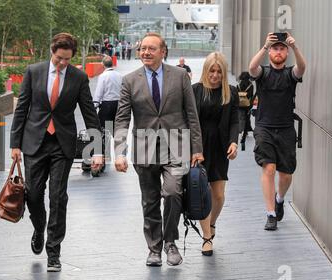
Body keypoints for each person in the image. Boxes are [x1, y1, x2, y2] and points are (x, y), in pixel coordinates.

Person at [10, 33, 103, 272]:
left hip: (62, 144)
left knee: (58, 197)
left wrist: (97, 149)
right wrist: (15, 144)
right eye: (59, 58)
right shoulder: (34, 71)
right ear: (52, 51)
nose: (63, 63)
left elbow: (89, 113)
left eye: (67, 60)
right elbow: (22, 109)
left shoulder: (79, 78)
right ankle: (39, 227)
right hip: (34, 143)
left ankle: (54, 252)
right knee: (33, 195)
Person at [114, 33, 204, 267]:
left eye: (151, 49)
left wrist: (197, 148)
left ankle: (170, 242)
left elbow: (192, 115)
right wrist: (120, 151)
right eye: (143, 48)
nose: (145, 52)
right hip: (145, 148)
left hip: (177, 146)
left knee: (173, 193)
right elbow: (122, 118)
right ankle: (154, 249)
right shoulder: (129, 80)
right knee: (150, 201)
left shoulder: (180, 76)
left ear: (163, 51)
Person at [248, 32, 306, 231]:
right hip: (264, 127)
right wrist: (264, 46)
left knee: (286, 174)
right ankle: (271, 214)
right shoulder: (262, 73)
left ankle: (280, 199)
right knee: (269, 168)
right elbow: (251, 68)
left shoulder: (291, 74)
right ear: (270, 52)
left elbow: (302, 68)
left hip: (286, 129)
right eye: (275, 48)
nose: (278, 51)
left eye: (282, 49)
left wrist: (295, 46)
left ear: (286, 53)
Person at [192, 52, 239, 256]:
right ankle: (206, 237)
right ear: (206, 70)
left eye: (219, 71)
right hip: (199, 148)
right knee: (202, 193)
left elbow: (235, 121)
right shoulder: (195, 91)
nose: (215, 75)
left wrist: (234, 142)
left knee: (218, 195)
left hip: (220, 147)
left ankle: (211, 225)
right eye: (212, 70)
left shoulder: (231, 92)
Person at [93, 55, 122, 132]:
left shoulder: (103, 76)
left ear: (103, 64)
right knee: (116, 127)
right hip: (118, 104)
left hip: (107, 105)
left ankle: (106, 143)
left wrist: (95, 104)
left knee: (105, 127)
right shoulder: (119, 75)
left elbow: (99, 92)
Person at [237, 71, 255, 150]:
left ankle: (241, 130)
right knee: (247, 117)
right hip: (247, 104)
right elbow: (251, 95)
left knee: (241, 117)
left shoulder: (238, 85)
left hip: (240, 104)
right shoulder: (250, 85)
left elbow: (236, 93)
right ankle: (246, 130)